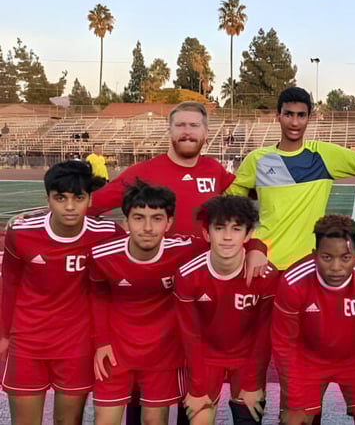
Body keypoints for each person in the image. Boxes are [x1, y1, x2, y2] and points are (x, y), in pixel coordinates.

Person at [88, 181, 268, 425]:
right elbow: (98, 293)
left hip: (164, 352)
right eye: (139, 218)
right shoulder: (102, 254)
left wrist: (258, 248)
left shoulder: (184, 249)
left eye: (157, 218)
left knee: (155, 419)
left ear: (169, 223)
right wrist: (102, 341)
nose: (148, 227)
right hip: (117, 351)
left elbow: (228, 241)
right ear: (126, 221)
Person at [0, 160, 124, 425]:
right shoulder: (21, 233)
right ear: (47, 199)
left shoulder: (110, 235)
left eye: (78, 198)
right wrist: (3, 335)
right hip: (27, 342)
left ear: (90, 198)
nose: (69, 207)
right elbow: (9, 284)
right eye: (60, 198)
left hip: (77, 344)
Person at [226, 87, 355, 270]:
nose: (295, 122)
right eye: (288, 114)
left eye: (301, 115)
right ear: (278, 116)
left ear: (309, 118)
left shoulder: (323, 155)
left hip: (307, 268)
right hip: (264, 264)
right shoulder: (257, 159)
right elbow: (229, 207)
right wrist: (252, 247)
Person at [271, 215, 355, 425]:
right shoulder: (293, 282)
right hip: (308, 360)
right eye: (327, 257)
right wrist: (293, 403)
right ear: (314, 255)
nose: (336, 267)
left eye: (345, 258)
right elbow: (284, 345)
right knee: (293, 421)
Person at [174, 195, 279, 425]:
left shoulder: (266, 275)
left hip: (247, 358)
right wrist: (198, 387)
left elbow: (263, 336)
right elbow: (190, 335)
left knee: (249, 416)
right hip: (205, 357)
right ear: (206, 233)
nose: (228, 237)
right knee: (197, 415)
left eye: (236, 228)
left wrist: (253, 384)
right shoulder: (188, 274)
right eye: (219, 228)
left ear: (248, 234)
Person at [90, 101, 236, 236]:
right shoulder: (141, 173)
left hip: (206, 262)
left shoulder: (214, 169)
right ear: (169, 131)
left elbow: (251, 195)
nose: (187, 131)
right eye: (180, 125)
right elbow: (86, 207)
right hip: (162, 263)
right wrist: (118, 232)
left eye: (194, 125)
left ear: (206, 133)